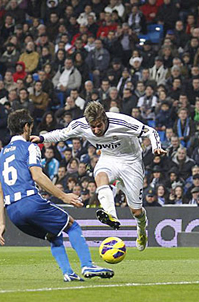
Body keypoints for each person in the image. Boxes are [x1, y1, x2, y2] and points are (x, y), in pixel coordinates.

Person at [0, 109, 113, 282]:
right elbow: (37, 176)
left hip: (13, 213)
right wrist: (64, 196)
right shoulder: (30, 147)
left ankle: (68, 273)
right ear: (26, 127)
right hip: (30, 202)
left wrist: (1, 224)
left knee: (53, 235)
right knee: (72, 225)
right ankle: (87, 265)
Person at [31, 101, 166, 251]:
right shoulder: (81, 125)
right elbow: (62, 133)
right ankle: (111, 215)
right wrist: (42, 138)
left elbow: (150, 131)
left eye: (98, 126)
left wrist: (156, 147)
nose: (95, 130)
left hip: (131, 162)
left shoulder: (121, 122)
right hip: (108, 158)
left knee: (136, 211)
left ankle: (141, 229)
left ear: (105, 119)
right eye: (92, 126)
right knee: (100, 176)